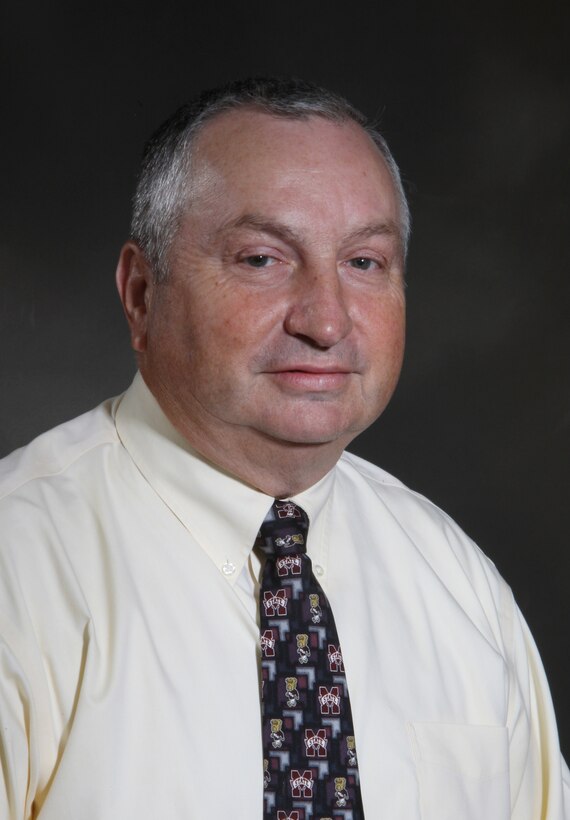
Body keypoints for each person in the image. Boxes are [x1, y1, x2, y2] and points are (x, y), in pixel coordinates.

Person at [0, 77, 567, 820]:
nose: (326, 321)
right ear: (141, 293)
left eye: (364, 263)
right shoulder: (21, 565)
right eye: (262, 258)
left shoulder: (460, 587)